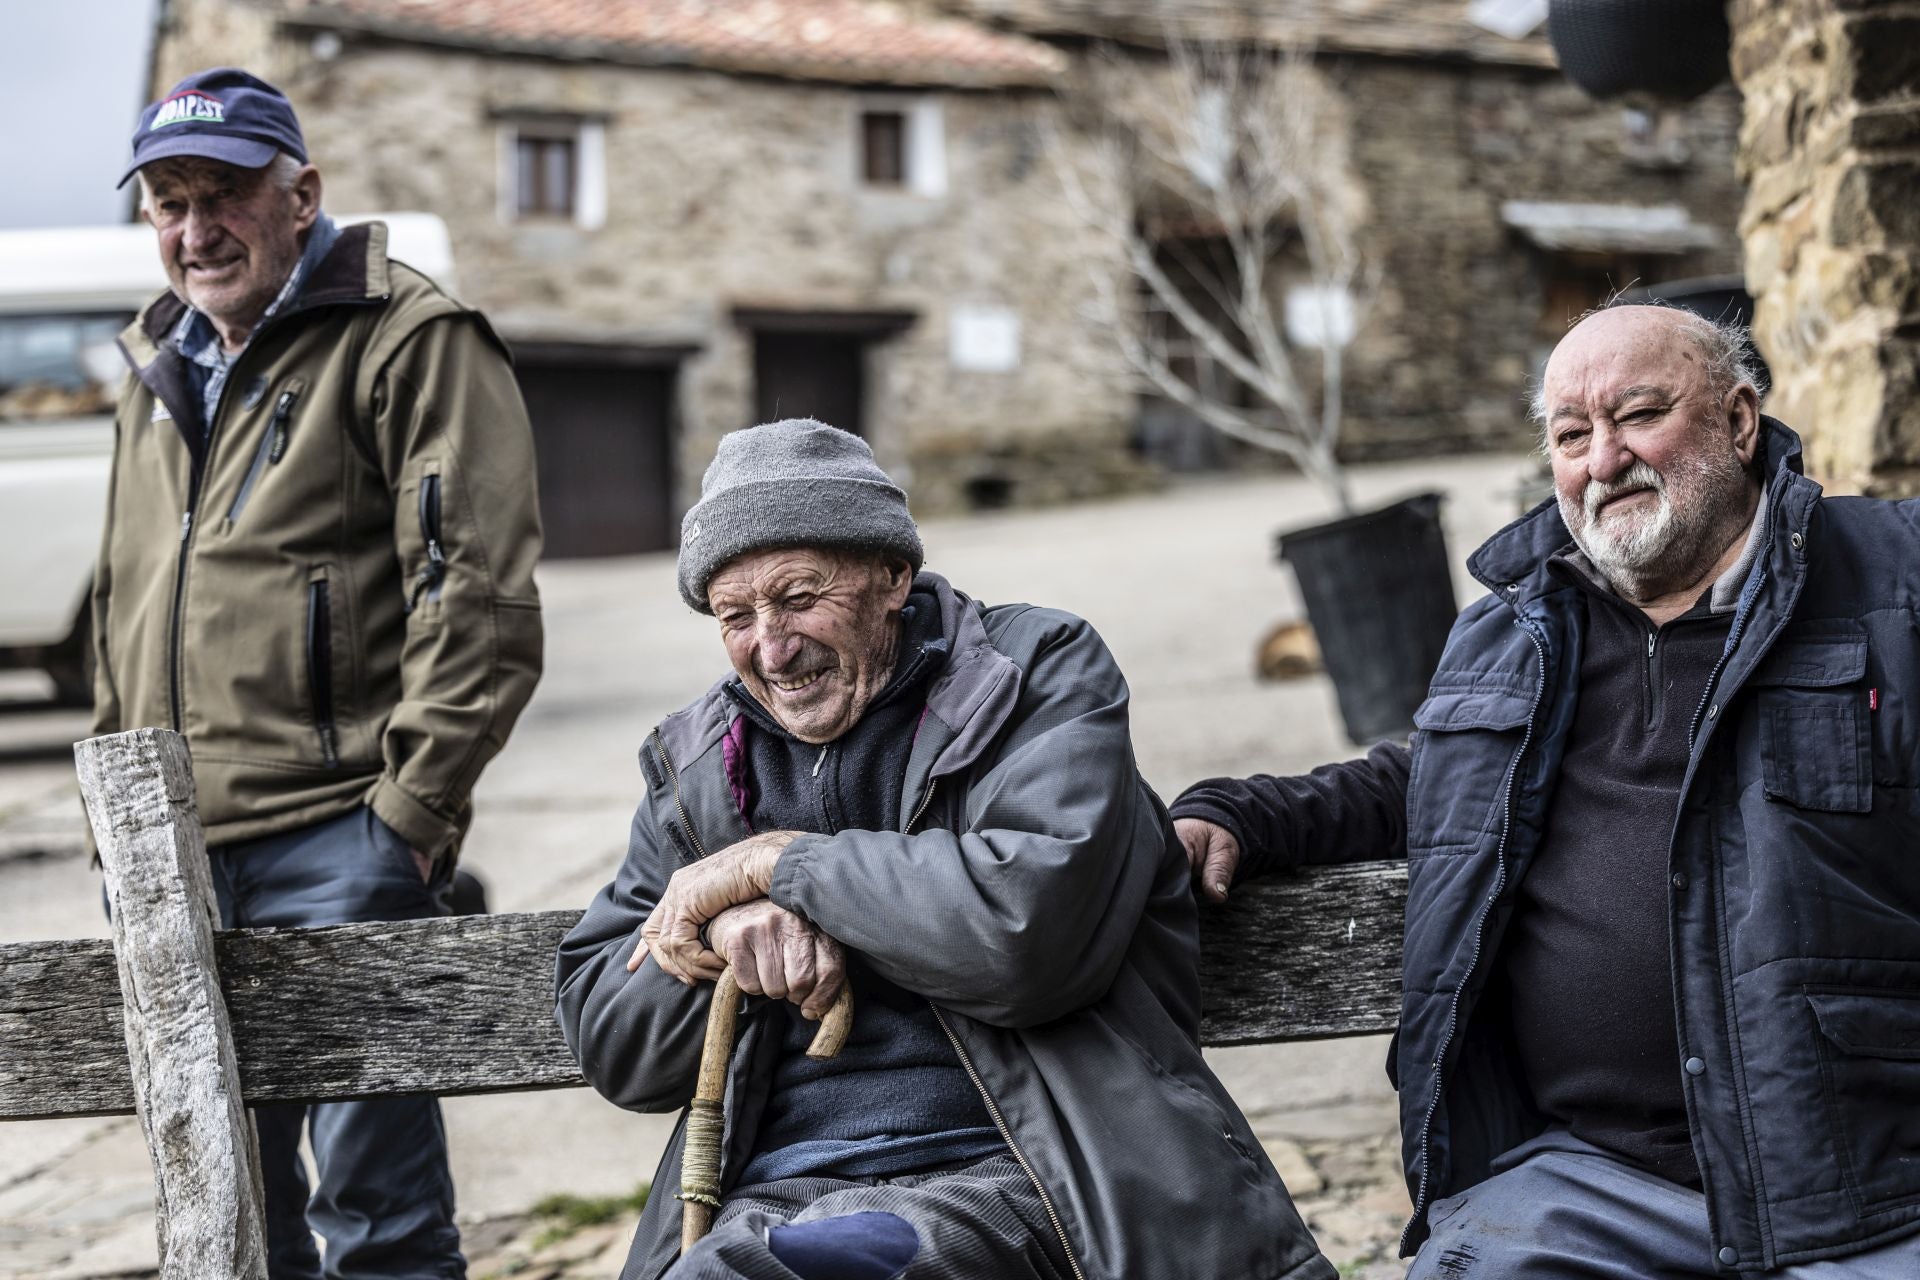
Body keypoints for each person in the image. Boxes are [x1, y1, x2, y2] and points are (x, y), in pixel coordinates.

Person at [1171, 303, 1920, 1277]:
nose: (1604, 459)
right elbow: (1426, 779)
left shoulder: (1893, 582)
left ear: (1740, 420)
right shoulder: (1514, 631)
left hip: (1861, 1192)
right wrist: (1237, 811)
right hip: (1581, 1190)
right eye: (1572, 434)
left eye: (1639, 414)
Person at [555, 419, 1332, 1280]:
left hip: (1029, 1177)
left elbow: (1024, 935)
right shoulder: (699, 766)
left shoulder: (1033, 674)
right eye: (736, 616)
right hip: (770, 1196)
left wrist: (787, 865)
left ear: (894, 576)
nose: (771, 648)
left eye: (800, 596)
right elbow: (614, 1043)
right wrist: (721, 931)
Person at [95, 67, 544, 1279]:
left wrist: (408, 814)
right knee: (224, 1205)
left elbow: (479, 588)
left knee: (375, 1211)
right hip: (169, 851)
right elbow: (123, 602)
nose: (197, 231)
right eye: (169, 201)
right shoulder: (155, 365)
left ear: (303, 193)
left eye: (227, 194)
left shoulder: (409, 337)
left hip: (337, 834)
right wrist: (114, 813)